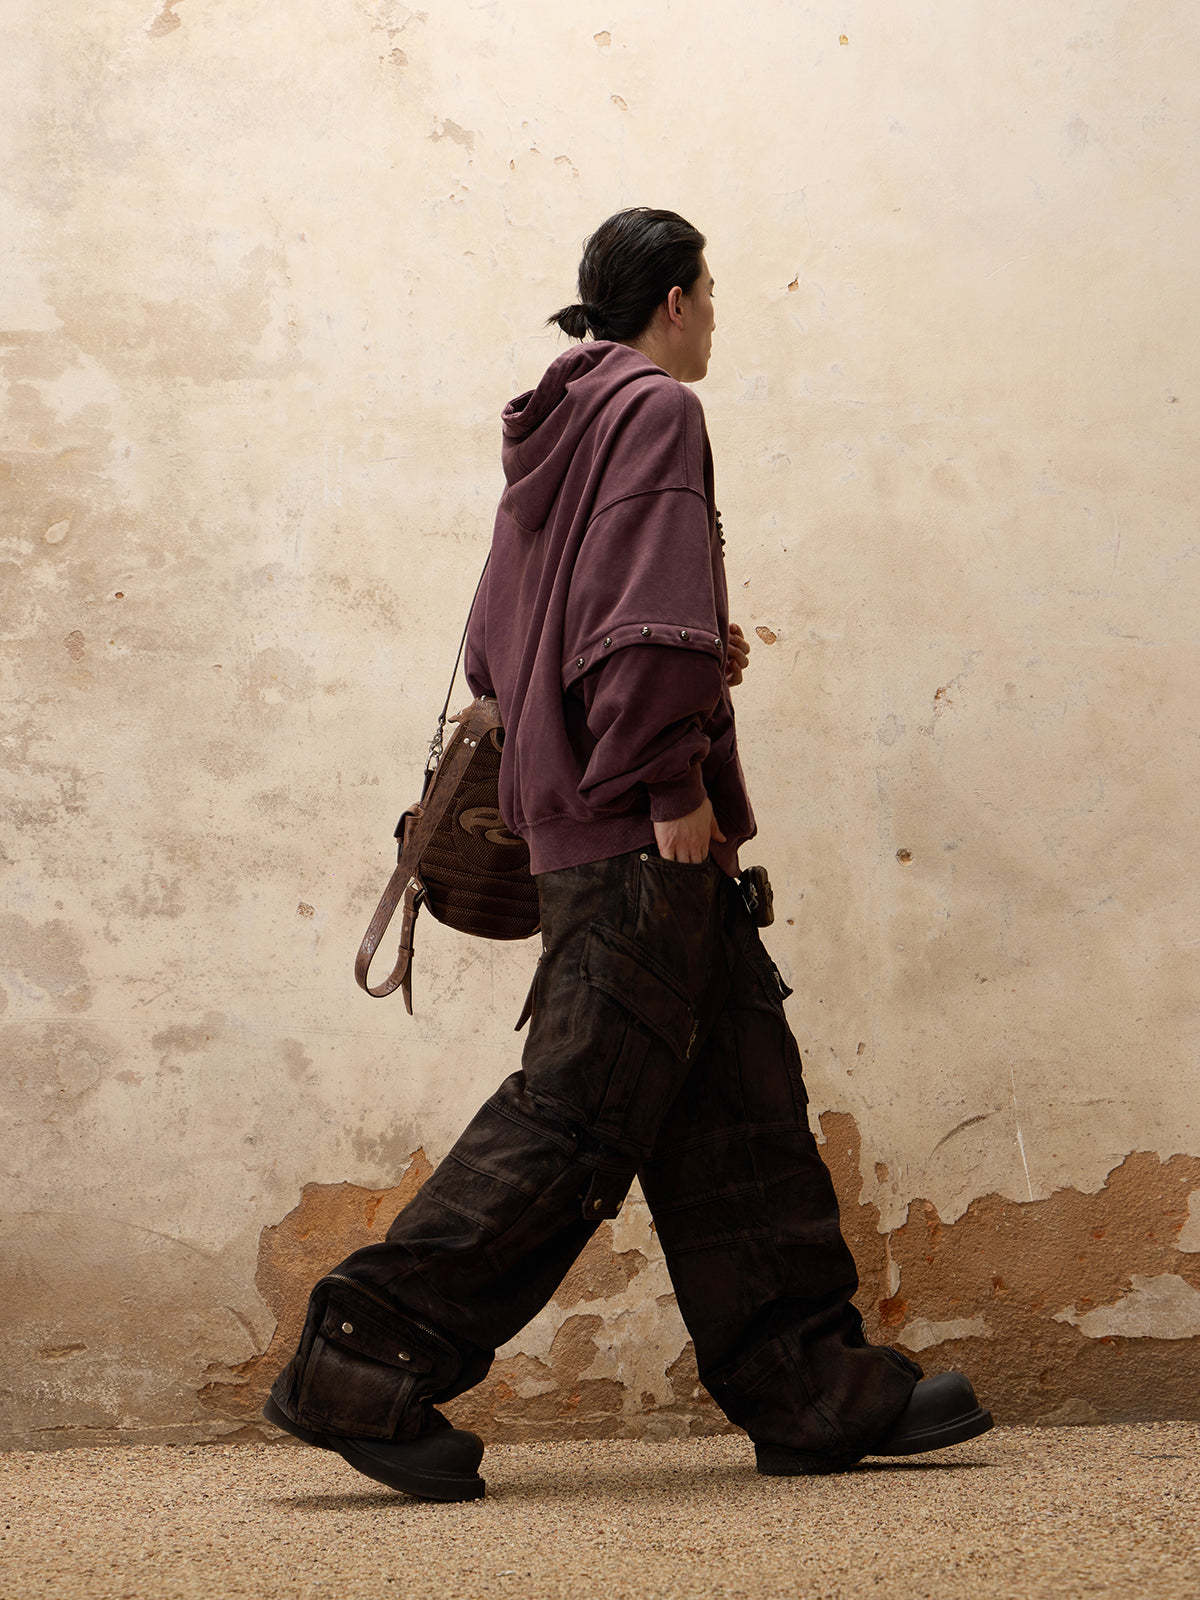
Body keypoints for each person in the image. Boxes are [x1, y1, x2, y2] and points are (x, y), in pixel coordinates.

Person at [263, 207, 993, 1500]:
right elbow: (639, 633)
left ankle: (808, 1386)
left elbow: (497, 653)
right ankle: (359, 1360)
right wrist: (669, 778)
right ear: (672, 301)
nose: (714, 319)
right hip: (641, 830)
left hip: (585, 826)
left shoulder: (553, 429)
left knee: (738, 1102)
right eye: (710, 294)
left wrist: (695, 651)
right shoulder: (657, 410)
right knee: (575, 1121)